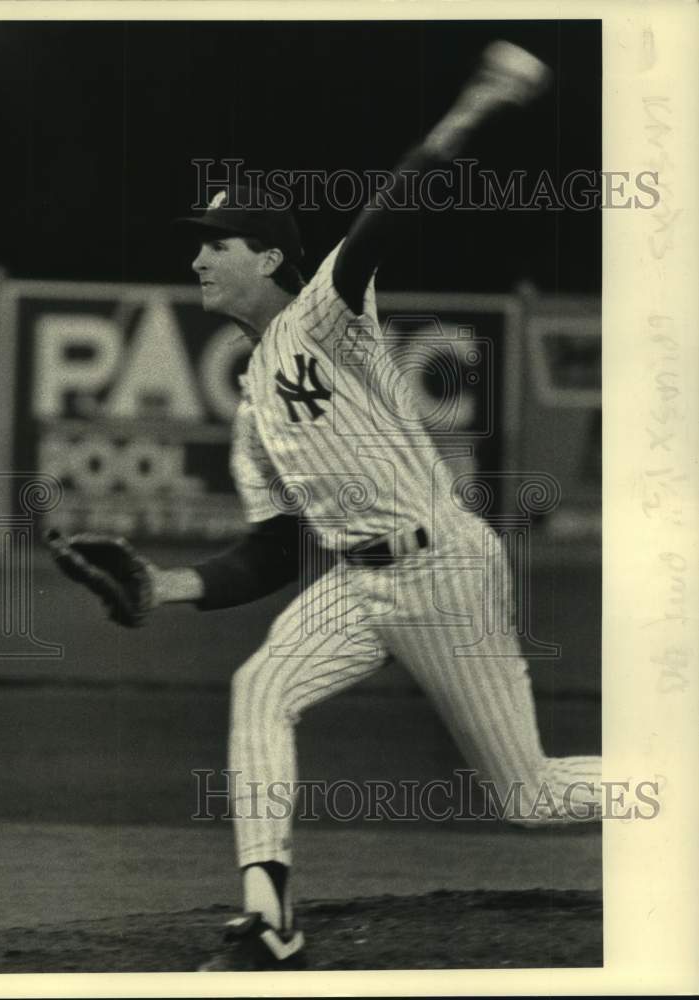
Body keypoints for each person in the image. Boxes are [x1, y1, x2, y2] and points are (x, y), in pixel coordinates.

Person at [148, 41, 601, 971]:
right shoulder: (250, 411)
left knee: (532, 798)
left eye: (216, 243)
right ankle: (270, 924)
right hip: (360, 584)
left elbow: (388, 212)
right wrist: (162, 587)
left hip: (441, 569)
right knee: (260, 687)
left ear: (268, 256)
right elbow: (271, 557)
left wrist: (474, 108)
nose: (197, 256)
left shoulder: (322, 313)